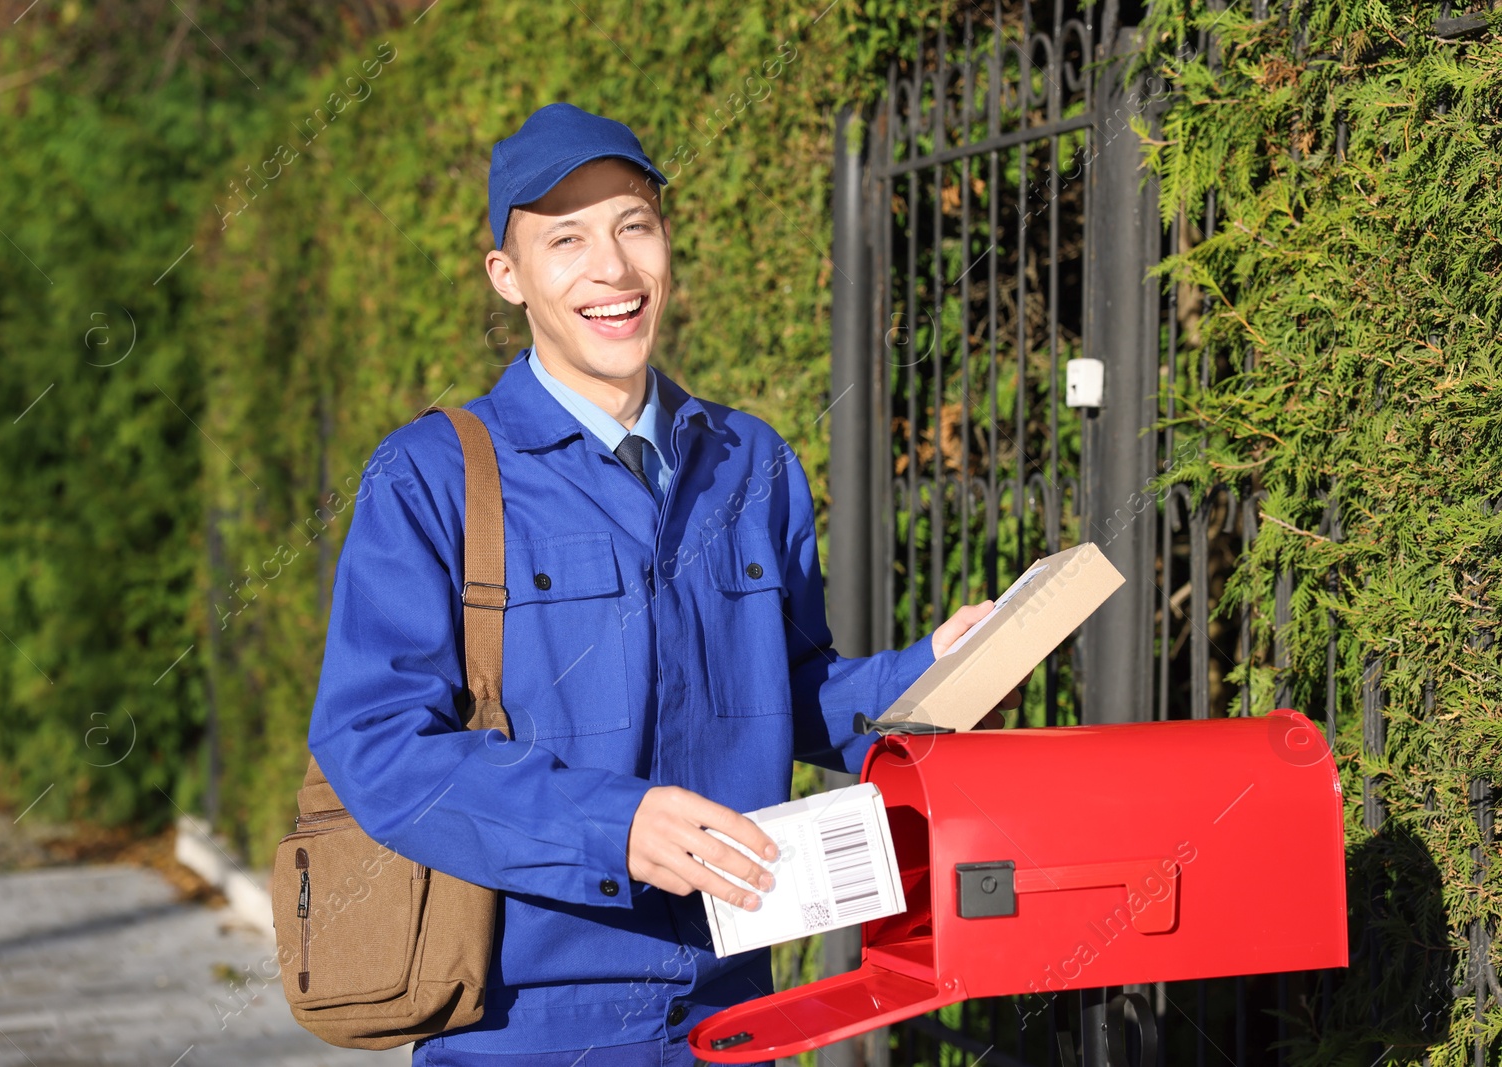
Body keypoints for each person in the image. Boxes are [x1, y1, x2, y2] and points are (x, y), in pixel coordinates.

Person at [306, 102, 1023, 1067]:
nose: (612, 268)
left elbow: (797, 693)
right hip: (520, 1030)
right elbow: (376, 744)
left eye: (633, 224)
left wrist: (931, 676)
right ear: (507, 277)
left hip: (733, 1017)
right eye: (566, 239)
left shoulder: (753, 462)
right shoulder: (430, 477)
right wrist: (615, 825)